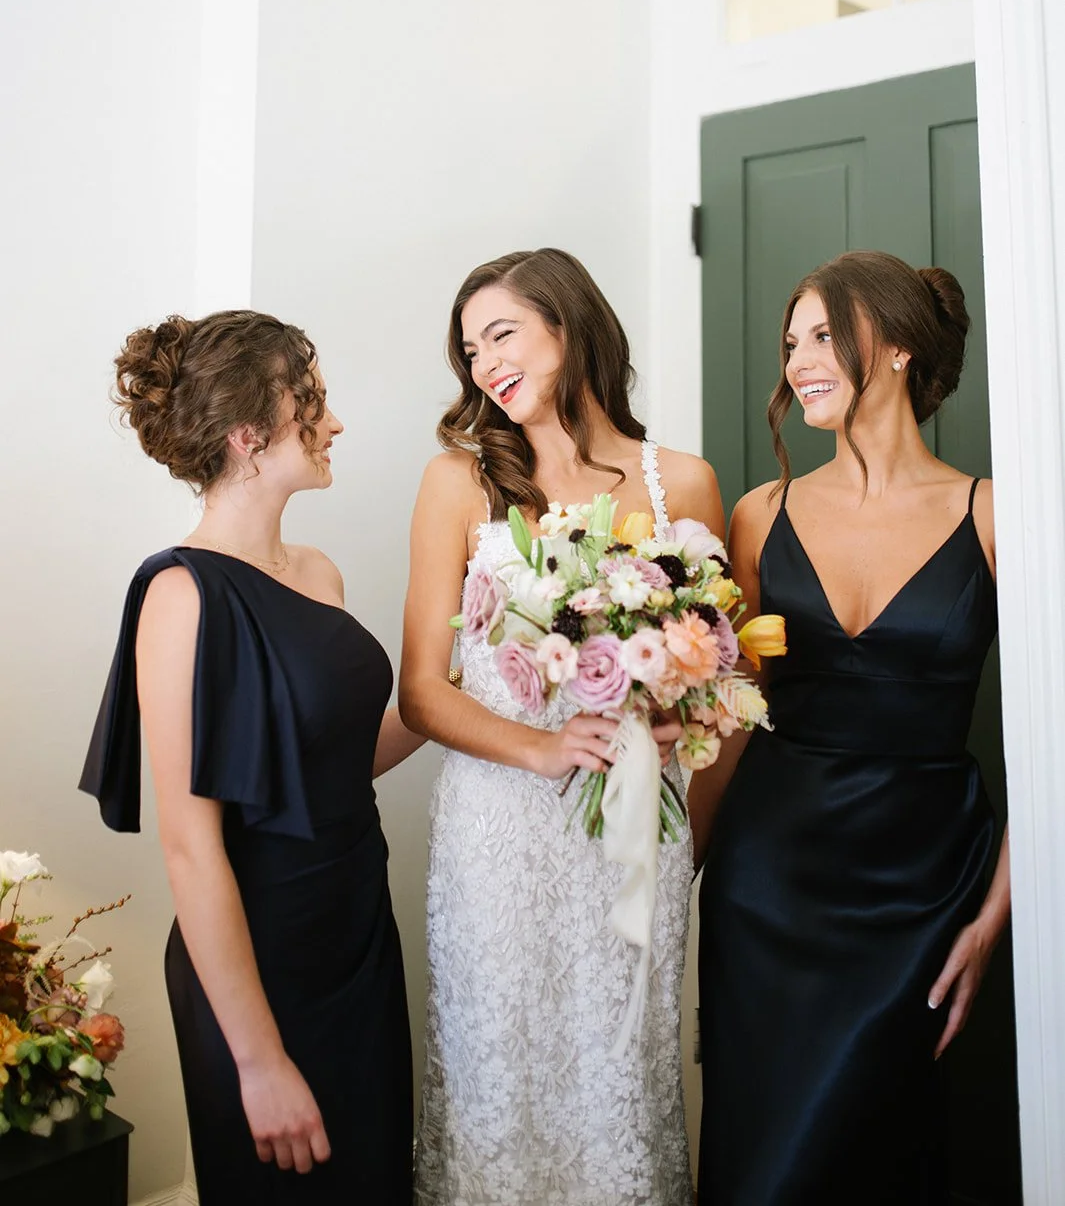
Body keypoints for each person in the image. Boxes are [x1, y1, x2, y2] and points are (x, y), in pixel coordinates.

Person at [400, 248, 723, 1206]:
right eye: (470, 350)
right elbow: (423, 689)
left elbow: (713, 670)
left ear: (569, 324)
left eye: (502, 332)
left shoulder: (685, 485)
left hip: (631, 832)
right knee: (500, 1075)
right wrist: (544, 747)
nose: (485, 363)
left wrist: (668, 713)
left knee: (620, 1075)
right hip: (498, 833)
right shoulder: (459, 484)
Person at [80, 311, 421, 1204]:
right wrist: (260, 1060)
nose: (334, 420)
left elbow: (330, 768)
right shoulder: (181, 596)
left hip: (356, 933)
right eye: (312, 398)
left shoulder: (318, 572)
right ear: (249, 434)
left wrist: (455, 696)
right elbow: (192, 849)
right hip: (254, 962)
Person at [691, 251, 1010, 1205]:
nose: (799, 360)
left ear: (901, 345)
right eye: (791, 342)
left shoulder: (996, 515)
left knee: (887, 1148)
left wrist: (997, 915)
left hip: (925, 880)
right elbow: (735, 711)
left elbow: (1057, 739)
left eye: (825, 335)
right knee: (764, 1157)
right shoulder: (759, 516)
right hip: (769, 880)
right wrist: (676, 869)